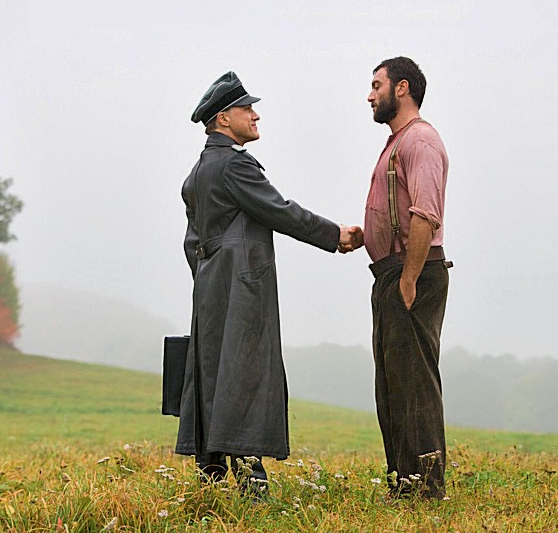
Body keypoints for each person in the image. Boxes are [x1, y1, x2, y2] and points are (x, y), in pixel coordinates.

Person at [175, 71, 357, 497]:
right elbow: (282, 212)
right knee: (246, 372)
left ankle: (211, 478)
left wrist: (209, 277)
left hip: (210, 287)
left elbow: (191, 243)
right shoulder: (235, 165)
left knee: (213, 372)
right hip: (243, 289)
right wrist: (336, 235)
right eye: (247, 109)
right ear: (224, 118)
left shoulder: (197, 172)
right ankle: (251, 485)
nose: (255, 115)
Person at [350, 57, 451, 499]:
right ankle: (405, 484)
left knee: (414, 384)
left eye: (377, 85)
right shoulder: (398, 141)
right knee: (393, 384)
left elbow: (425, 214)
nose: (370, 95)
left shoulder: (420, 140)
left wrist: (409, 280)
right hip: (392, 273)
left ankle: (425, 488)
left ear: (402, 88)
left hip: (413, 273)